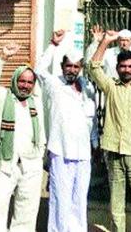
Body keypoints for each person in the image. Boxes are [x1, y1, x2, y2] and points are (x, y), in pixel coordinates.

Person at [88, 30, 131, 232]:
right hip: (114, 153)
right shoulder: (111, 87)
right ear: (117, 68)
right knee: (116, 205)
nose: (127, 69)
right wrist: (105, 41)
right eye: (123, 66)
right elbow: (93, 67)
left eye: (130, 66)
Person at [35, 30, 98, 232]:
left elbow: (92, 119)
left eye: (76, 66)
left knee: (79, 199)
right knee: (59, 199)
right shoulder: (53, 84)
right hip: (60, 150)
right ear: (62, 67)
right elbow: (39, 69)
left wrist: (95, 144)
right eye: (68, 66)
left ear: (80, 68)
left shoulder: (87, 88)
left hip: (83, 153)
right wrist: (53, 45)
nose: (72, 70)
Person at [0, 43, 46, 232]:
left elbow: (41, 133)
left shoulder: (36, 103)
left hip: (30, 166)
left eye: (29, 82)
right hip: (2, 165)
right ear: (15, 80)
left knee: (26, 215)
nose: (25, 85)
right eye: (22, 81)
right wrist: (3, 57)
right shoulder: (1, 97)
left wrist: (39, 157)